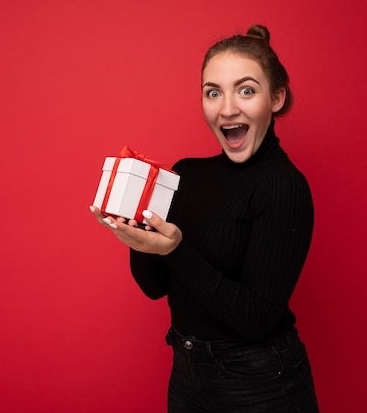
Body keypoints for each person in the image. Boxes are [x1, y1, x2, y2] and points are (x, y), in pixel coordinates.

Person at [90, 24, 319, 413]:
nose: (227, 108)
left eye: (246, 90)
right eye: (213, 92)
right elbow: (154, 286)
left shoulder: (284, 186)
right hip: (187, 369)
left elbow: (256, 318)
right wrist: (136, 236)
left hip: (259, 382)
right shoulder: (187, 173)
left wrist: (176, 250)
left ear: (276, 98)